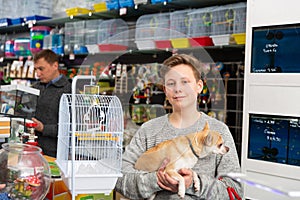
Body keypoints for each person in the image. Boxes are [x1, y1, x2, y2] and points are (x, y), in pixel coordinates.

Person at [114, 54, 243, 199]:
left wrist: (195, 183)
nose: (178, 89)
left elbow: (235, 191)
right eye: (171, 83)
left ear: (199, 86)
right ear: (165, 90)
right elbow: (120, 179)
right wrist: (157, 180)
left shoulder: (219, 132)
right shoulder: (148, 131)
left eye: (185, 82)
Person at [31, 49, 71, 157]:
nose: (38, 74)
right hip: (33, 149)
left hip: (55, 154)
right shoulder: (35, 88)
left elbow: (71, 129)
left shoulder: (68, 90)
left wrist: (43, 128)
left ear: (55, 66)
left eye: (41, 69)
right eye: (36, 69)